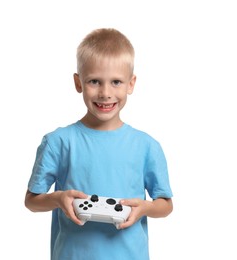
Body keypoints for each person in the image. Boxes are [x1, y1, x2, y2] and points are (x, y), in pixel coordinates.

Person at [25, 28, 173, 260]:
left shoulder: (147, 146)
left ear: (131, 84)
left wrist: (144, 208)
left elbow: (165, 205)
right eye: (94, 81)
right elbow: (32, 201)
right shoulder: (58, 142)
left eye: (116, 82)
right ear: (78, 82)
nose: (105, 93)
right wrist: (58, 199)